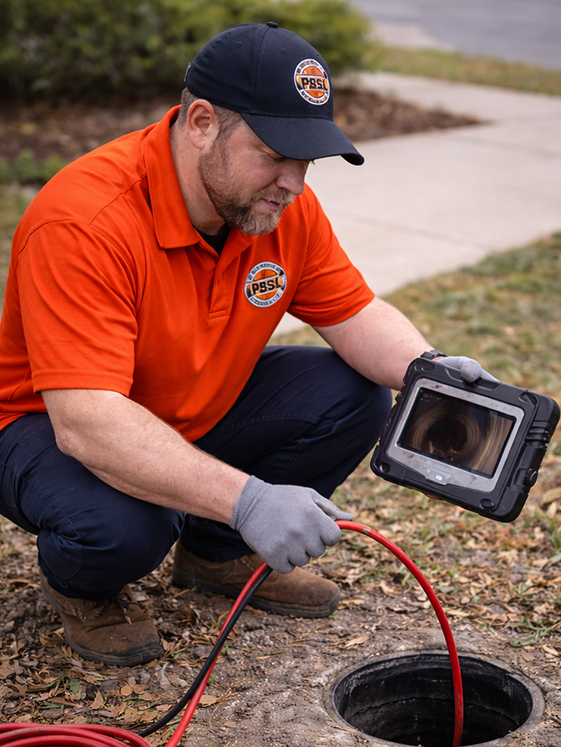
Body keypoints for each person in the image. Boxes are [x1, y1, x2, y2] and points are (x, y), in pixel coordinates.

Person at [0, 22, 489, 667]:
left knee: (351, 392)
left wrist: (427, 370)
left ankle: (216, 554)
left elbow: (355, 314)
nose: (292, 181)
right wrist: (248, 498)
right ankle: (87, 588)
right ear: (201, 122)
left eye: (306, 161)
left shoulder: (277, 206)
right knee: (127, 526)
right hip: (45, 426)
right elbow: (88, 422)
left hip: (186, 411)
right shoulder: (85, 221)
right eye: (273, 153)